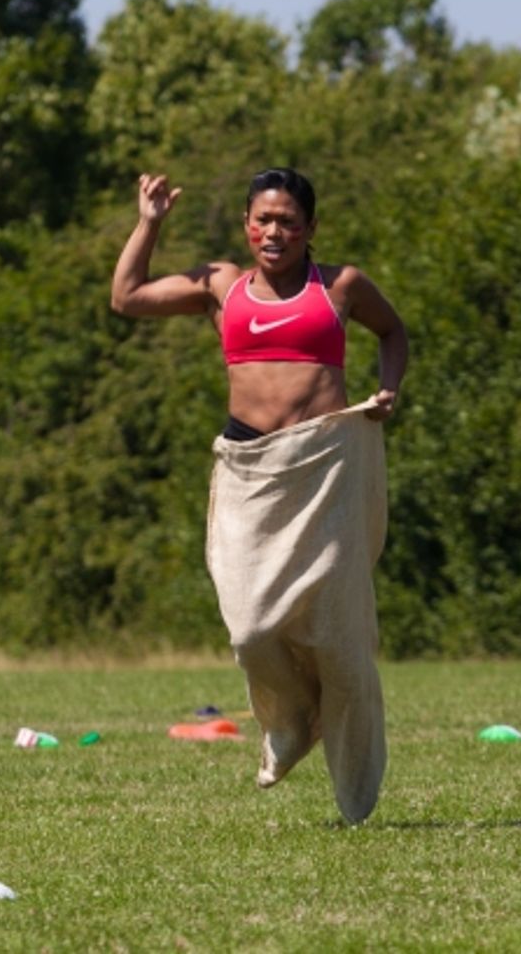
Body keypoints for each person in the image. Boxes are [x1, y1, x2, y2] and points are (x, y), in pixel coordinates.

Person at [111, 168, 407, 823]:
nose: (275, 232)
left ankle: (356, 793)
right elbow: (127, 297)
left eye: (289, 222)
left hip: (325, 469)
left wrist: (389, 389)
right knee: (250, 628)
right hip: (250, 470)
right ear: (247, 224)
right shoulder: (222, 286)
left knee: (339, 643)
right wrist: (150, 223)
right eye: (263, 220)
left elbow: (394, 332)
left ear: (310, 228)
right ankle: (293, 720)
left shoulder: (341, 286)